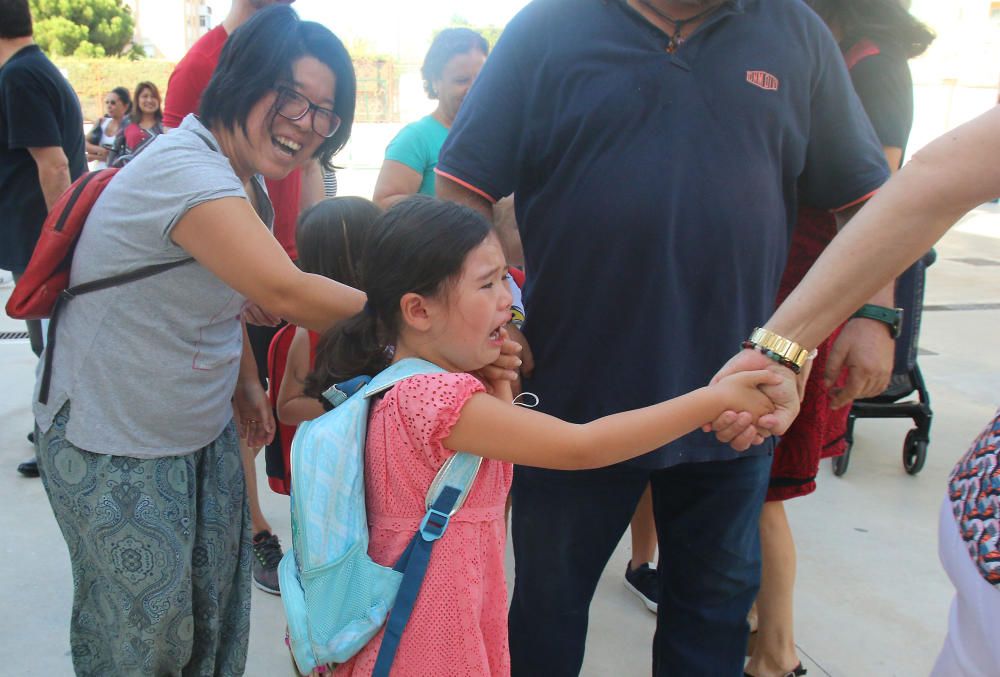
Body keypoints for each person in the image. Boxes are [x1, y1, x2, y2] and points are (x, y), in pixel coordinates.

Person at [435, 0, 891, 673]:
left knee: (711, 619)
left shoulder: (792, 31)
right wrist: (498, 318)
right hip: (570, 400)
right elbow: (462, 183)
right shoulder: (550, 26)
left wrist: (873, 313)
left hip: (734, 404)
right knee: (544, 616)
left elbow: (867, 198)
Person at [300, 195, 780, 676]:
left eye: (504, 277)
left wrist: (498, 376)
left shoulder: (418, 382)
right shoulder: (434, 396)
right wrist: (713, 399)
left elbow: (500, 467)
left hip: (441, 607)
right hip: (428, 631)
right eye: (486, 284)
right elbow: (580, 447)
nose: (507, 297)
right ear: (419, 311)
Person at [31, 8, 365, 674]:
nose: (306, 123)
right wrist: (419, 309)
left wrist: (245, 382)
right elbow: (288, 292)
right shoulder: (188, 172)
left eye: (325, 112)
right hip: (115, 433)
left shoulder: (245, 181)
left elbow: (228, 296)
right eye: (292, 96)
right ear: (241, 78)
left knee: (210, 612)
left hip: (195, 424)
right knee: (143, 634)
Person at [705, 102, 1000, 677]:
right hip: (981, 530)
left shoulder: (840, 64)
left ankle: (775, 653)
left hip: (979, 523)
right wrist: (780, 349)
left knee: (762, 495)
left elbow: (920, 180)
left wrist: (842, 326)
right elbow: (936, 179)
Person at [746, 2, 936, 674]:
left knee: (761, 483)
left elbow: (877, 200)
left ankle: (776, 651)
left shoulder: (874, 70)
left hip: (808, 290)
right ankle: (756, 626)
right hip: (787, 284)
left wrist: (873, 314)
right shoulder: (839, 53)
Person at [162, 0, 322, 595]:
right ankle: (256, 529)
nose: (301, 119)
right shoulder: (198, 67)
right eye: (287, 98)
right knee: (241, 422)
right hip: (241, 276)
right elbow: (187, 182)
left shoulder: (295, 50)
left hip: (281, 270)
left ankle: (282, 531)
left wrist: (309, 251)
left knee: (281, 408)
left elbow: (308, 168)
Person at [0, 0, 87, 477]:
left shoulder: (19, 76)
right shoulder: (37, 70)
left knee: (53, 349)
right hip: (40, 238)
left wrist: (61, 242)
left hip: (43, 240)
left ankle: (57, 439)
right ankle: (53, 430)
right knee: (52, 345)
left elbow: (53, 164)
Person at [275, 196, 381, 427]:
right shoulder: (312, 332)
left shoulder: (398, 316)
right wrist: (353, 401)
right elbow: (287, 407)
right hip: (341, 455)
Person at [373, 28, 488, 209]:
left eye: (481, 78)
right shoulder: (416, 138)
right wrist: (451, 208)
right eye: (461, 80)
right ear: (435, 81)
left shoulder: (496, 135)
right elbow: (382, 203)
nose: (474, 89)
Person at [108, 80, 164, 166]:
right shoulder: (127, 122)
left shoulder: (165, 125)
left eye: (153, 96)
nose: (149, 100)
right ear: (137, 100)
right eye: (145, 96)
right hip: (129, 174)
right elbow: (115, 149)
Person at [85, 86, 130, 169]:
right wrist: (100, 150)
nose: (109, 106)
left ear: (125, 106)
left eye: (113, 103)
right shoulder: (101, 123)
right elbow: (84, 144)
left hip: (117, 173)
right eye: (107, 102)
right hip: (98, 172)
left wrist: (95, 157)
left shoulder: (129, 127)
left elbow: (121, 157)